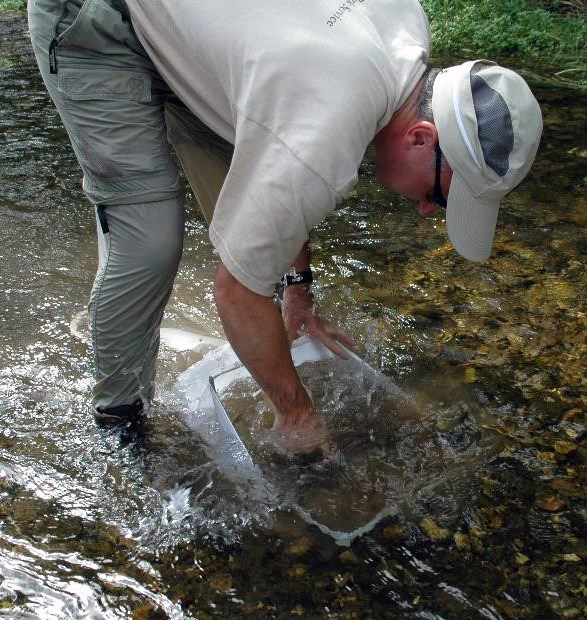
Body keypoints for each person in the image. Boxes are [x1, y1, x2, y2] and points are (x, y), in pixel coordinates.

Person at [28, 0, 542, 453]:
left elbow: (288, 171)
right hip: (97, 21)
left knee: (248, 180)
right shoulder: (322, 137)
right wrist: (294, 412)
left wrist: (297, 298)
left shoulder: (405, 27)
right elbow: (236, 291)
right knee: (150, 239)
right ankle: (119, 424)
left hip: (197, 33)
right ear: (422, 138)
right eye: (439, 195)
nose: (429, 211)